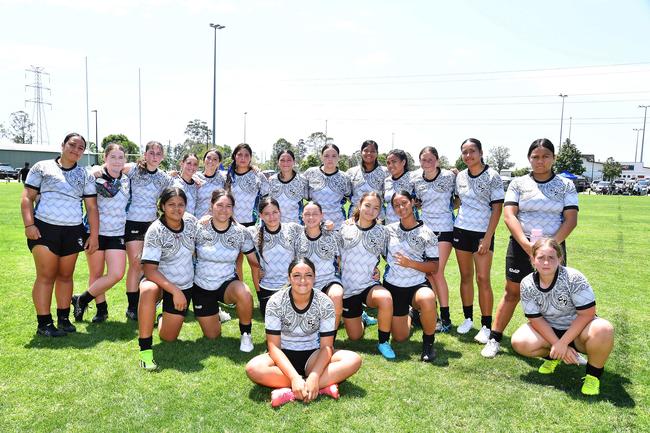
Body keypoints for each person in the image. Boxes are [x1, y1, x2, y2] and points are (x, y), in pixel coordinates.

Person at [482, 139, 578, 358]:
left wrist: (549, 248)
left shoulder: (565, 185)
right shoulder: (518, 183)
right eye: (535, 156)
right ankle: (495, 338)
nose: (540, 161)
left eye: (545, 156)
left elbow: (571, 219)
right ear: (529, 158)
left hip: (553, 249)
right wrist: (527, 246)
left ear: (554, 158)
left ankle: (564, 345)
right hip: (521, 245)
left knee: (555, 294)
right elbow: (509, 215)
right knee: (512, 292)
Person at [245, 257, 362, 407]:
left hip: (312, 355)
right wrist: (293, 377)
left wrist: (314, 375)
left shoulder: (325, 302)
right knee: (253, 369)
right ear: (289, 277)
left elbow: (327, 346)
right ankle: (317, 387)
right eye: (296, 275)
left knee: (353, 359)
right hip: (283, 356)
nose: (302, 280)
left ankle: (292, 390)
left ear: (314, 278)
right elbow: (273, 347)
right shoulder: (275, 302)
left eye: (308, 275)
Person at [510, 238, 614, 396]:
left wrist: (563, 343)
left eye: (551, 258)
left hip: (579, 331)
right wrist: (558, 344)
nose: (546, 263)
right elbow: (535, 319)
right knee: (519, 341)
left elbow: (587, 314)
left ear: (560, 259)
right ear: (532, 260)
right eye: (540, 258)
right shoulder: (527, 283)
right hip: (551, 330)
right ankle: (555, 357)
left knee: (604, 329)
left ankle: (593, 376)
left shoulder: (573, 278)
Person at [21, 133, 98, 336]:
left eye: (81, 147)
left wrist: (94, 235)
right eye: (72, 145)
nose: (76, 149)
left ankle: (63, 318)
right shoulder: (42, 167)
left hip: (73, 230)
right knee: (46, 276)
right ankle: (44, 324)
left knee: (66, 276)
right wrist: (29, 225)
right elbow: (27, 198)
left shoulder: (85, 175)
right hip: (45, 228)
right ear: (63, 145)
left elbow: (91, 207)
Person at [137, 187, 198, 370]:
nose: (176, 209)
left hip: (184, 284)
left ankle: (161, 315)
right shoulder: (155, 230)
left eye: (181, 205)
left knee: (168, 338)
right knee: (148, 290)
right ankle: (145, 352)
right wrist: (174, 291)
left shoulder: (191, 222)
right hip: (160, 282)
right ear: (163, 206)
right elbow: (149, 270)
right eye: (171, 204)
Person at [194, 189, 260, 352]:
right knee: (212, 335)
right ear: (211, 206)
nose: (224, 210)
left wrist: (266, 271)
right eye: (219, 205)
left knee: (244, 293)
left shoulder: (240, 232)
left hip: (227, 284)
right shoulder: (198, 228)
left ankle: (246, 335)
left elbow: (253, 261)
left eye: (228, 206)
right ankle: (216, 313)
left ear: (233, 209)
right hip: (202, 286)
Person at [72, 143, 130, 323]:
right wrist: (94, 170)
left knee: (117, 274)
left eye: (121, 157)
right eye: (112, 157)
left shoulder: (127, 178)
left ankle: (81, 299)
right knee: (96, 273)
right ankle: (101, 310)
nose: (117, 161)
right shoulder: (94, 176)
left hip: (117, 232)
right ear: (105, 158)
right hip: (95, 232)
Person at [453, 138, 503, 343]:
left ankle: (486, 324)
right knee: (465, 276)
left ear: (481, 152)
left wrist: (488, 237)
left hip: (482, 233)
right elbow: (458, 201)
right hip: (462, 229)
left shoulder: (493, 176)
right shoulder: (461, 176)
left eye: (472, 151)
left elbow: (497, 209)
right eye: (464, 152)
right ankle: (467, 319)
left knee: (482, 278)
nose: (468, 156)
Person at [384, 191, 440, 362]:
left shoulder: (427, 232)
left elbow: (434, 266)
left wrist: (411, 263)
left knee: (428, 299)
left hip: (416, 284)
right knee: (400, 337)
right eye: (396, 205)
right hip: (393, 286)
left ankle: (428, 344)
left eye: (404, 203)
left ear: (413, 202)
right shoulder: (388, 231)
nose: (401, 207)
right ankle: (411, 314)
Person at [339, 192, 395, 359]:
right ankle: (361, 317)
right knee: (355, 337)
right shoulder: (344, 228)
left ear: (380, 211)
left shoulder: (382, 232)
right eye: (367, 206)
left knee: (385, 298)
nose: (371, 211)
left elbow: (390, 257)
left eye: (376, 208)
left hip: (368, 285)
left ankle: (384, 342)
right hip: (348, 289)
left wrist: (378, 269)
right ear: (360, 205)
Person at [122, 141, 174, 320]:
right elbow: (110, 166)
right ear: (145, 154)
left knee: (149, 266)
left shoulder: (164, 177)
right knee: (136, 265)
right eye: (151, 152)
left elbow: (176, 188)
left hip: (152, 225)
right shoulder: (133, 169)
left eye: (158, 153)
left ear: (162, 157)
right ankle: (131, 307)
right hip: (133, 222)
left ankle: (147, 301)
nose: (154, 156)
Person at [412, 146, 456, 332]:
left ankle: (445, 318)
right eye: (424, 160)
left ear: (437, 161)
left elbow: (458, 199)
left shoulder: (450, 176)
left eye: (431, 159)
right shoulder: (415, 178)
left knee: (437, 272)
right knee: (428, 273)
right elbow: (418, 202)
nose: (427, 163)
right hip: (425, 231)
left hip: (444, 229)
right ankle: (431, 313)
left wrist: (447, 209)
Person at [247, 197, 302, 316]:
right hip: (267, 288)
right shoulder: (253, 232)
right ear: (260, 216)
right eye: (267, 214)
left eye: (275, 212)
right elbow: (231, 228)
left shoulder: (292, 228)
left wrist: (327, 225)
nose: (272, 217)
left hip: (292, 287)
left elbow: (314, 229)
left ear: (280, 212)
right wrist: (210, 217)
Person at [225, 143, 269, 280]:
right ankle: (240, 297)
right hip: (233, 224)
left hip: (253, 225)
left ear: (250, 158)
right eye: (239, 155)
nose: (243, 158)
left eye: (246, 155)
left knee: (256, 263)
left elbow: (266, 198)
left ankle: (261, 298)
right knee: (236, 263)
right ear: (234, 157)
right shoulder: (228, 176)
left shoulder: (258, 176)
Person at [296, 202, 344, 328]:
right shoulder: (296, 236)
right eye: (307, 214)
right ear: (302, 216)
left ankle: (329, 339)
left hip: (328, 280)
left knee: (337, 295)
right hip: (304, 283)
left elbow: (343, 258)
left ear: (322, 215)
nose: (311, 217)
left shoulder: (332, 235)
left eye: (315, 214)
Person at [303, 144, 352, 230]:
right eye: (326, 156)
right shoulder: (310, 173)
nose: (330, 159)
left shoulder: (345, 177)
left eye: (334, 156)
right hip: (314, 223)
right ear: (321, 157)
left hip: (337, 224)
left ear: (338, 158)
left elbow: (351, 198)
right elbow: (303, 196)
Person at [346, 140, 388, 217]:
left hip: (377, 216)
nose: (369, 153)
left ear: (377, 153)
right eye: (366, 150)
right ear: (361, 152)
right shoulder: (351, 172)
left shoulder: (385, 172)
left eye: (372, 151)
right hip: (355, 215)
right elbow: (346, 194)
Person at [268, 149, 308, 223]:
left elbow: (310, 200)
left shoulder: (302, 180)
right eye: (282, 160)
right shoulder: (272, 180)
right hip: (275, 225)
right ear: (278, 162)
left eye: (289, 160)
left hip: (296, 224)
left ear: (294, 162)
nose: (285, 163)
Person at [383, 149, 414, 225]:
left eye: (394, 162)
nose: (390, 165)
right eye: (388, 163)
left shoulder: (413, 177)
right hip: (389, 225)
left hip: (408, 225)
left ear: (403, 162)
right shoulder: (387, 181)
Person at [195, 148, 226, 218]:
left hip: (217, 219)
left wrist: (251, 167)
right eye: (208, 158)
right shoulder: (195, 177)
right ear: (203, 160)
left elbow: (237, 171)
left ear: (219, 163)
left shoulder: (223, 177)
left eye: (215, 159)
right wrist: (174, 173)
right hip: (199, 219)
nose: (211, 161)